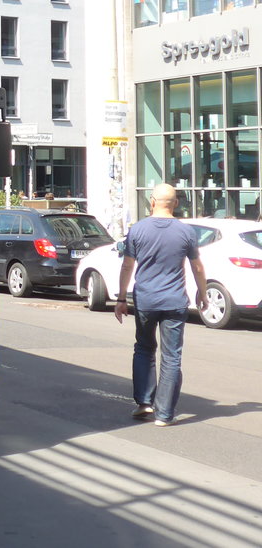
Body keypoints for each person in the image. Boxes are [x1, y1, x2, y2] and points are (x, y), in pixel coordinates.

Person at [115, 182, 208, 426]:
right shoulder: (186, 231)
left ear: (152, 202)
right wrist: (203, 292)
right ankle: (165, 414)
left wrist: (121, 298)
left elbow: (127, 265)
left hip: (146, 300)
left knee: (144, 349)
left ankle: (144, 403)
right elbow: (197, 266)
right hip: (175, 302)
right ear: (176, 203)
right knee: (172, 356)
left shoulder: (138, 230)